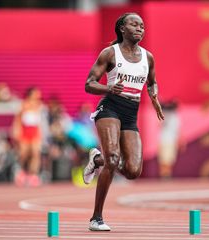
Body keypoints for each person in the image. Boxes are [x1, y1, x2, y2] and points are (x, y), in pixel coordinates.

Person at [83, 13, 164, 231]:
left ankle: (97, 159)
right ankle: (96, 218)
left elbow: (152, 83)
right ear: (121, 28)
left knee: (133, 171)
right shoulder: (110, 53)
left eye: (142, 26)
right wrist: (108, 88)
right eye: (134, 24)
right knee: (113, 157)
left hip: (131, 112)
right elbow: (89, 84)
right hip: (109, 107)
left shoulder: (148, 57)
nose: (139, 28)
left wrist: (154, 98)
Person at [12, 87, 44, 187]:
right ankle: (21, 172)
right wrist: (16, 132)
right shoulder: (23, 105)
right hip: (25, 133)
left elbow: (39, 122)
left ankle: (33, 175)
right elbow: (17, 120)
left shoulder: (39, 106)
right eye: (36, 93)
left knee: (35, 153)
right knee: (24, 154)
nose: (38, 96)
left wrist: (40, 133)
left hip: (35, 133)